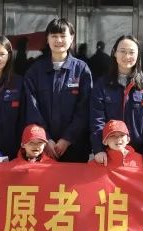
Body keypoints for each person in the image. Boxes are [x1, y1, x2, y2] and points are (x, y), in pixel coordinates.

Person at [24, 19, 93, 163]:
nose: (58, 40)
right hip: (41, 147)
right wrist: (45, 138)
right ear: (47, 39)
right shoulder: (35, 71)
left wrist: (67, 139)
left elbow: (84, 108)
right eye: (54, 36)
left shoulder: (81, 70)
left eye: (63, 36)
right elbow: (32, 107)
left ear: (72, 38)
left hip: (75, 147)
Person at [90, 35, 143, 169]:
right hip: (109, 154)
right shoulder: (102, 85)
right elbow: (97, 119)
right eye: (122, 51)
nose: (127, 56)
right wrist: (99, 149)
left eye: (131, 52)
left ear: (138, 55)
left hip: (139, 155)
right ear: (114, 53)